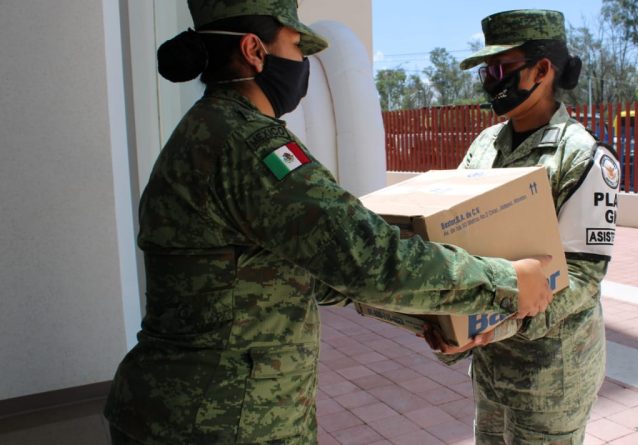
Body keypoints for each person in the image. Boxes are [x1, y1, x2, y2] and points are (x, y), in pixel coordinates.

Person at [102, 1, 556, 444]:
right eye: (296, 46)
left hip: (186, 409)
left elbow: (300, 271)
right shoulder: (251, 145)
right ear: (254, 51)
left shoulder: (209, 128)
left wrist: (425, 313)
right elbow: (369, 259)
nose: (302, 64)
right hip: (221, 420)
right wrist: (506, 281)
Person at [423, 10, 620, 444]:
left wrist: (493, 325)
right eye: (486, 72)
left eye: (501, 69)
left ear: (543, 70)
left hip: (552, 374)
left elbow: (583, 276)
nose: (491, 82)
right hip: (493, 366)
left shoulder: (582, 155)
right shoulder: (485, 145)